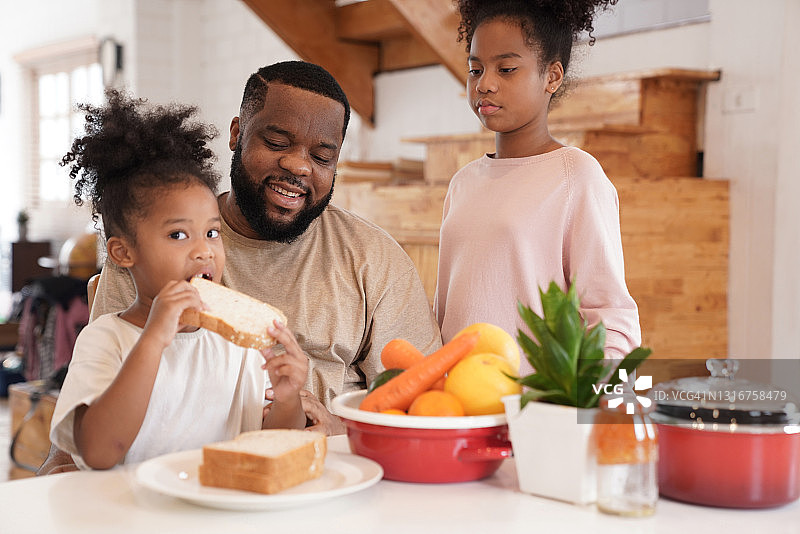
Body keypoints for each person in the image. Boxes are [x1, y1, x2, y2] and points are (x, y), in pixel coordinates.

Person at [37, 60, 442, 475]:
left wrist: (337, 429)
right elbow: (88, 435)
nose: (299, 166)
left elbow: (428, 406)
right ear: (237, 134)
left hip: (320, 472)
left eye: (322, 156)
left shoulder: (373, 259)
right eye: (277, 142)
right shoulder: (150, 254)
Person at [49, 90, 309, 470]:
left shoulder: (238, 346)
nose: (204, 251)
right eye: (178, 235)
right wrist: (154, 339)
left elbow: (274, 445)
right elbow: (100, 452)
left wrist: (288, 399)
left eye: (212, 233)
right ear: (123, 253)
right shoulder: (107, 339)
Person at [435, 0, 641, 373]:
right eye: (475, 69)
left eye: (506, 69)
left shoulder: (577, 176)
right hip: (459, 397)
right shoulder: (463, 183)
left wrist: (588, 392)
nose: (484, 84)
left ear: (552, 77)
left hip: (535, 399)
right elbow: (445, 312)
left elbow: (610, 316)